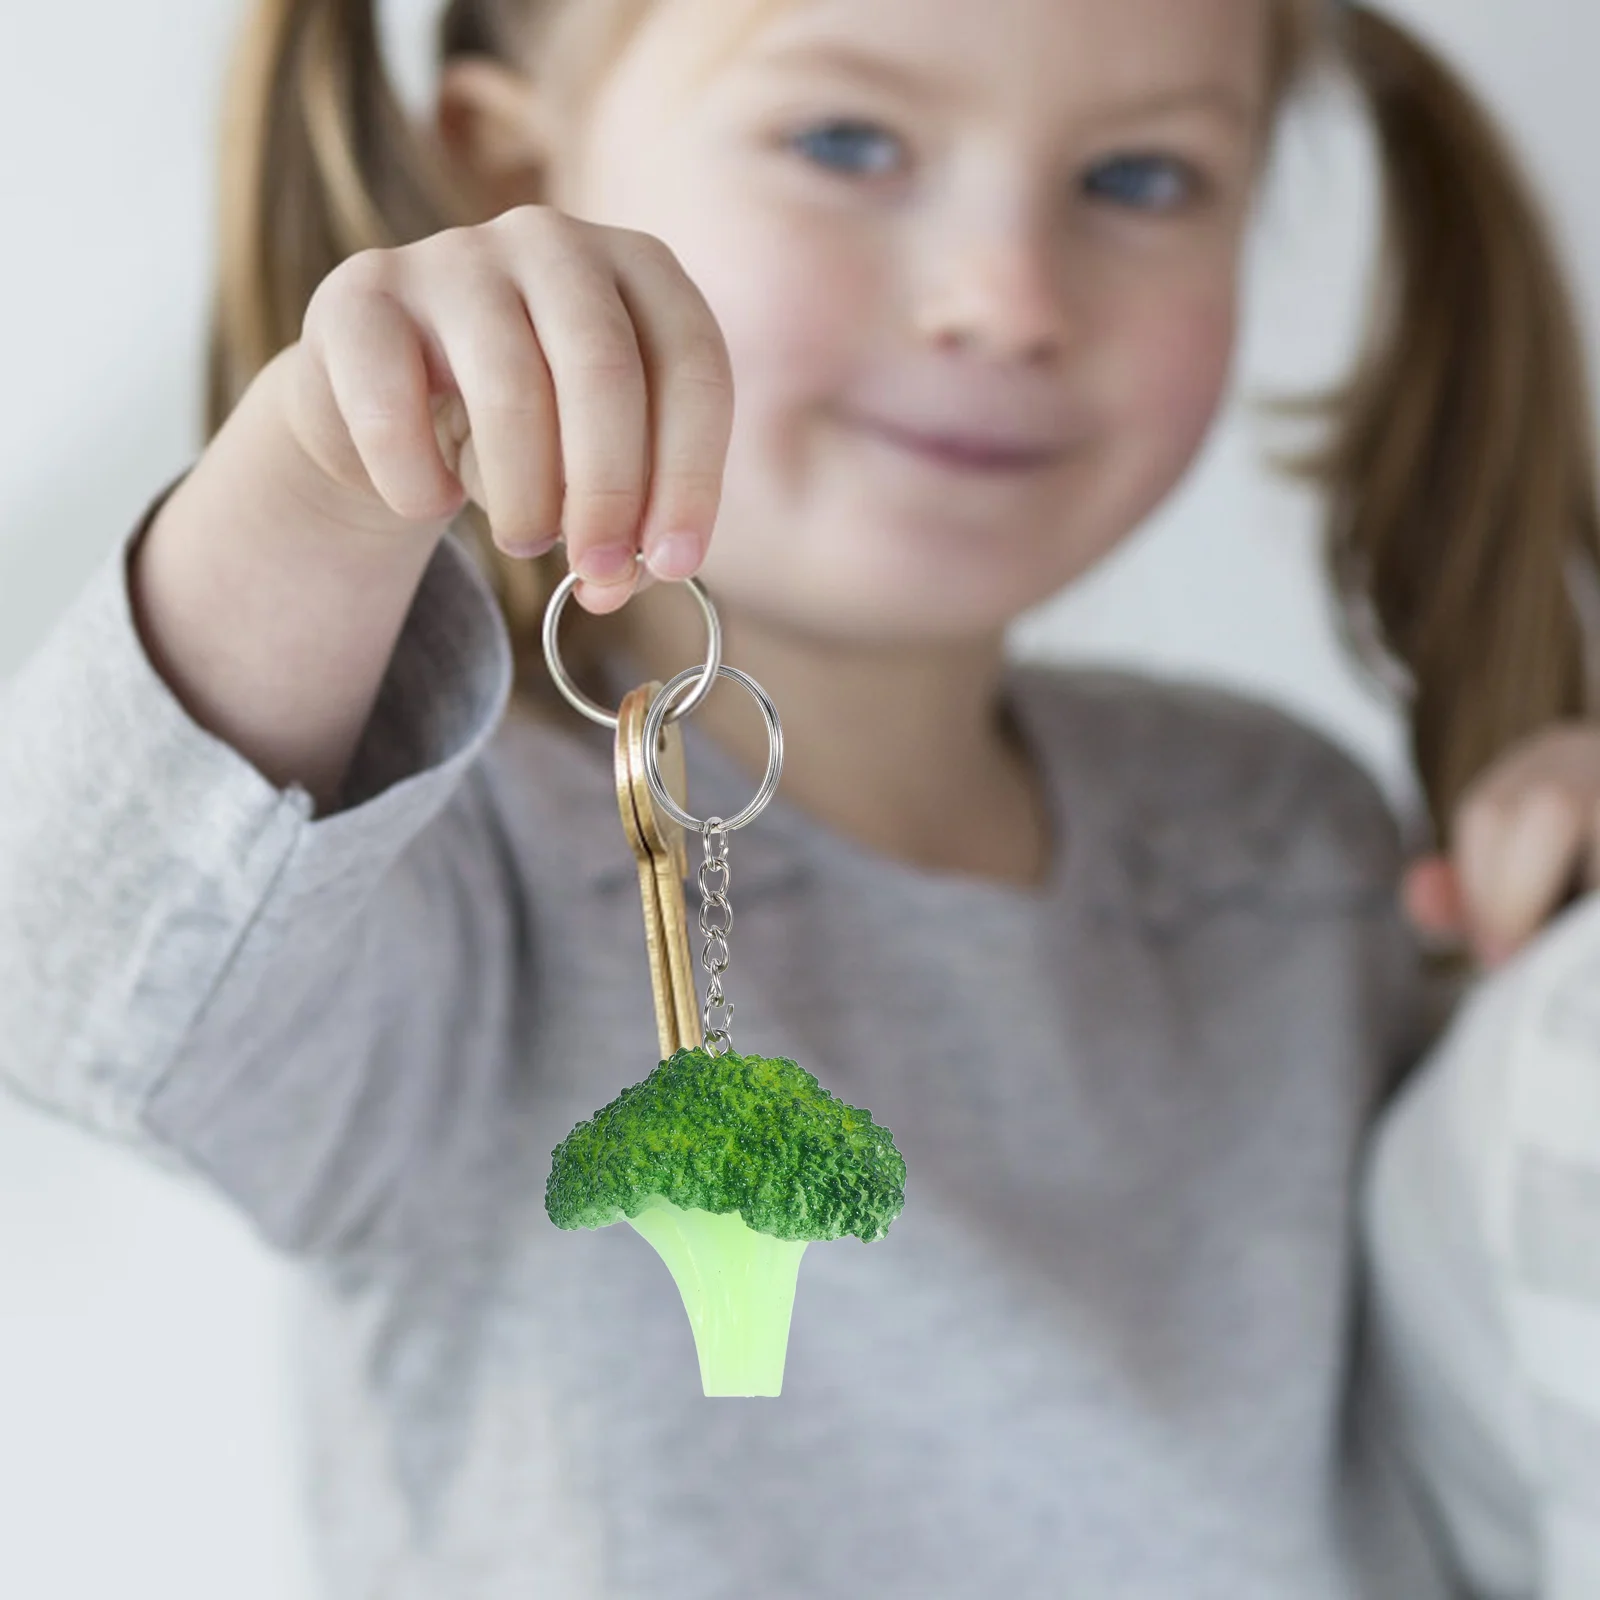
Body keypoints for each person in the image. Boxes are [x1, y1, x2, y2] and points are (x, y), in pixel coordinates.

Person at [3, 0, 1598, 1592]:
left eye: (1139, 178)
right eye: (846, 142)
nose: (1008, 300)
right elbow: (72, 977)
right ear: (508, 179)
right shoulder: (432, 870)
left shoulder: (1283, 839)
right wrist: (328, 465)